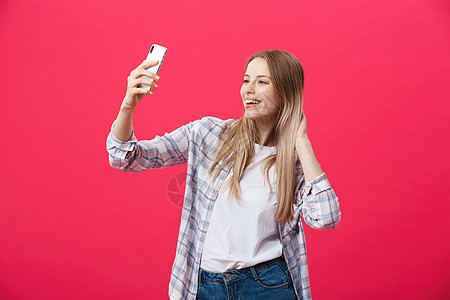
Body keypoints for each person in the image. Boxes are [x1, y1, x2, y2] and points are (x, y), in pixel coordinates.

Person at [107, 49, 341, 300]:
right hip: (205, 286)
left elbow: (326, 218)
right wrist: (128, 104)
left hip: (268, 286)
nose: (249, 89)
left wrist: (301, 140)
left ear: (286, 92)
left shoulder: (294, 162)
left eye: (262, 82)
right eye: (246, 80)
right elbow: (126, 157)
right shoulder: (208, 135)